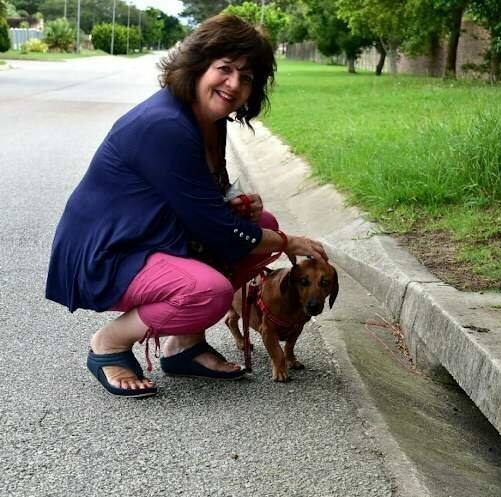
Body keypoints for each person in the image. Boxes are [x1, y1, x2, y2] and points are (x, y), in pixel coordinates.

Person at [45, 14, 327, 398]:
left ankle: (183, 345)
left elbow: (205, 200)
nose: (234, 84)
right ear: (197, 66)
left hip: (153, 234)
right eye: (224, 69)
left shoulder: (212, 120)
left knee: (263, 223)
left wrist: (237, 203)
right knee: (208, 291)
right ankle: (107, 344)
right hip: (109, 253)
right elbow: (219, 232)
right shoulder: (165, 124)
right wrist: (286, 241)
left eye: (246, 77)